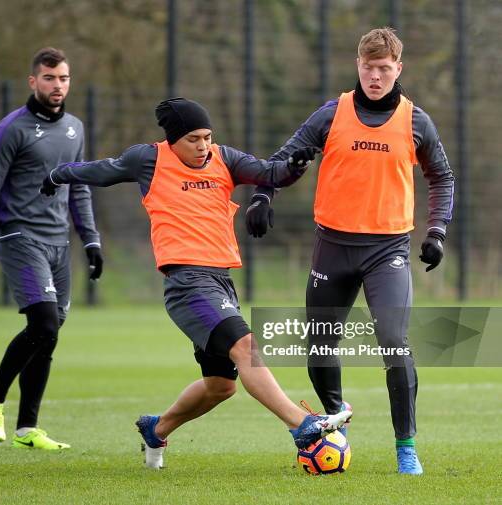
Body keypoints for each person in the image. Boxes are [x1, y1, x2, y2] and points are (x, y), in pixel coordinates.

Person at [40, 97, 352, 469]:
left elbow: (272, 173)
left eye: (207, 136)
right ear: (173, 140)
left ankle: (157, 428)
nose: (203, 145)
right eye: (194, 138)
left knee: (221, 386)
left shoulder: (225, 158)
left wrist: (295, 166)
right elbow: (102, 171)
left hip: (220, 282)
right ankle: (301, 425)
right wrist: (58, 175)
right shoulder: (148, 160)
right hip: (187, 283)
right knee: (245, 344)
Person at [245, 28, 454, 475]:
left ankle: (406, 447)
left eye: (383, 69)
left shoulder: (417, 122)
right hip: (332, 246)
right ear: (357, 66)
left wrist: (436, 230)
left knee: (395, 343)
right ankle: (337, 416)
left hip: (388, 250)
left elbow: (442, 178)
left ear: (398, 69)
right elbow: (284, 158)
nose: (375, 76)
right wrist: (264, 195)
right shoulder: (330, 115)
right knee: (319, 347)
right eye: (368, 67)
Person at [0, 47, 103, 450]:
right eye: (49, 78)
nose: (57, 85)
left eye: (63, 78)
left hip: (59, 244)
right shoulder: (12, 129)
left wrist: (90, 239)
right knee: (43, 324)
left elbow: (79, 187)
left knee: (48, 333)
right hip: (19, 238)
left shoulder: (76, 128)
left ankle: (28, 428)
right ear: (33, 81)